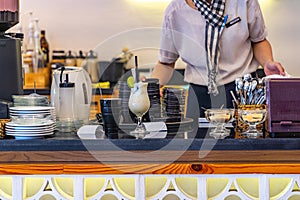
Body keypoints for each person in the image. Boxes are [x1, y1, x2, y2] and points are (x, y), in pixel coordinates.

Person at [150, 0, 285, 122]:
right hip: (199, 94)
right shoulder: (174, 11)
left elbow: (259, 40)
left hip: (242, 91)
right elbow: (166, 63)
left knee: (244, 145)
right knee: (198, 146)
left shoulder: (243, 3)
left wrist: (267, 61)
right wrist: (150, 87)